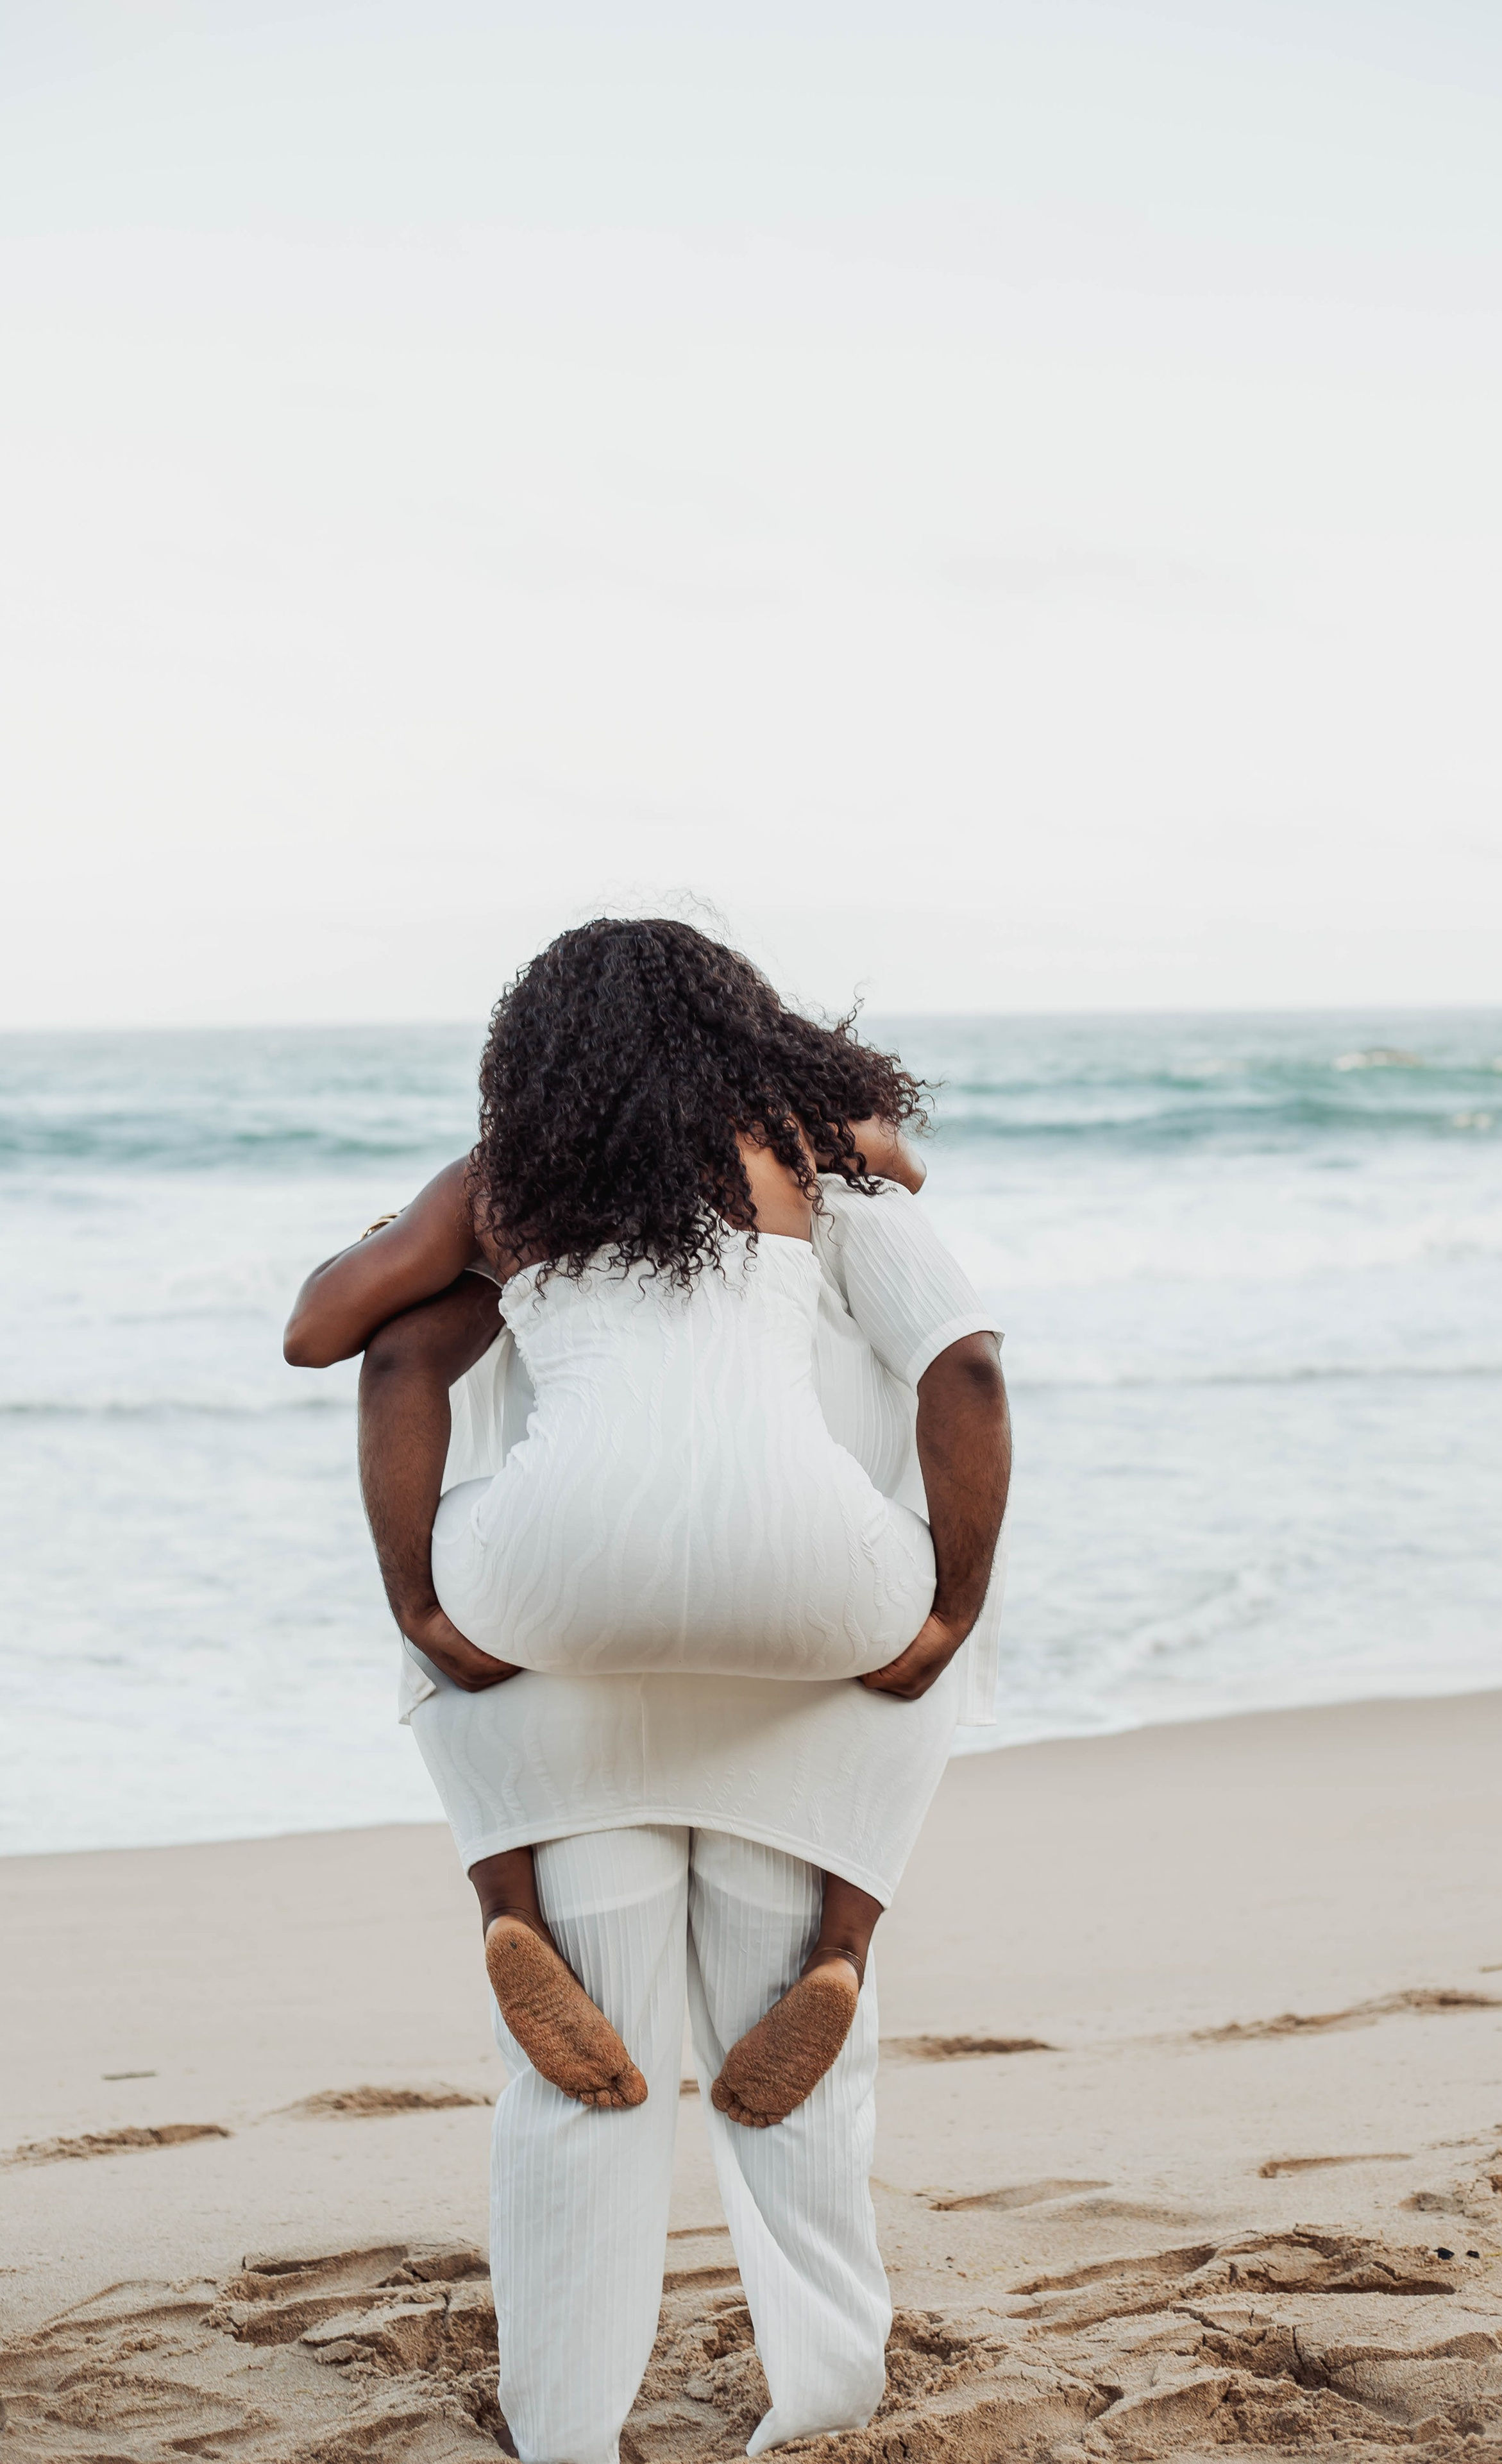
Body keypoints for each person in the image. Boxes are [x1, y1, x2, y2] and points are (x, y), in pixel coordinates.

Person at [284, 919, 1010, 2463]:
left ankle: (515, 1904)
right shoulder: (810, 1154)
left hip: (555, 1630)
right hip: (807, 1619)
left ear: (534, 1055)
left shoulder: (508, 1183)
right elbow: (966, 1371)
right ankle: (841, 1944)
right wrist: (946, 1604)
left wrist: (422, 1595)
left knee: (576, 2086)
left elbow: (342, 1341)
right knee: (936, 1586)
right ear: (738, 1032)